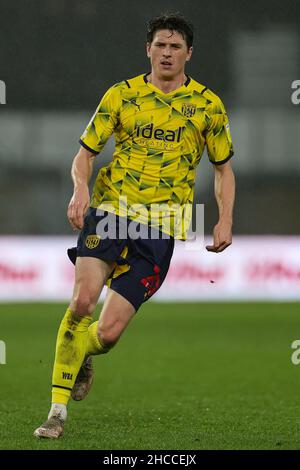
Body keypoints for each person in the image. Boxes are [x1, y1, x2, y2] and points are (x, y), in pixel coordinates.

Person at [34, 11, 235, 439]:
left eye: (175, 46)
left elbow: (223, 169)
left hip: (160, 226)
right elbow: (86, 153)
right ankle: (56, 411)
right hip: (110, 211)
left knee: (106, 333)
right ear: (148, 49)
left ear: (189, 53)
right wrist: (80, 189)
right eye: (160, 45)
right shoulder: (121, 95)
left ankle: (84, 352)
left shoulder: (208, 106)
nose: (166, 53)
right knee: (83, 303)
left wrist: (225, 218)